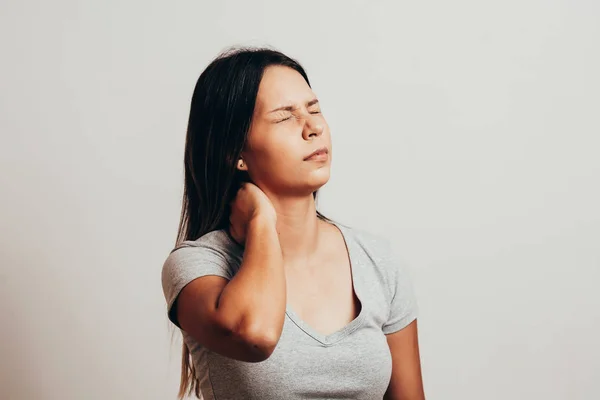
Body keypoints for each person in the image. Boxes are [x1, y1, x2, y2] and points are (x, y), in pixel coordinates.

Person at [161, 46, 425, 400]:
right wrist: (261, 220)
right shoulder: (198, 266)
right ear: (234, 153)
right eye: (285, 117)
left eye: (314, 109)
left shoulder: (378, 262)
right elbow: (254, 335)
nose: (314, 127)